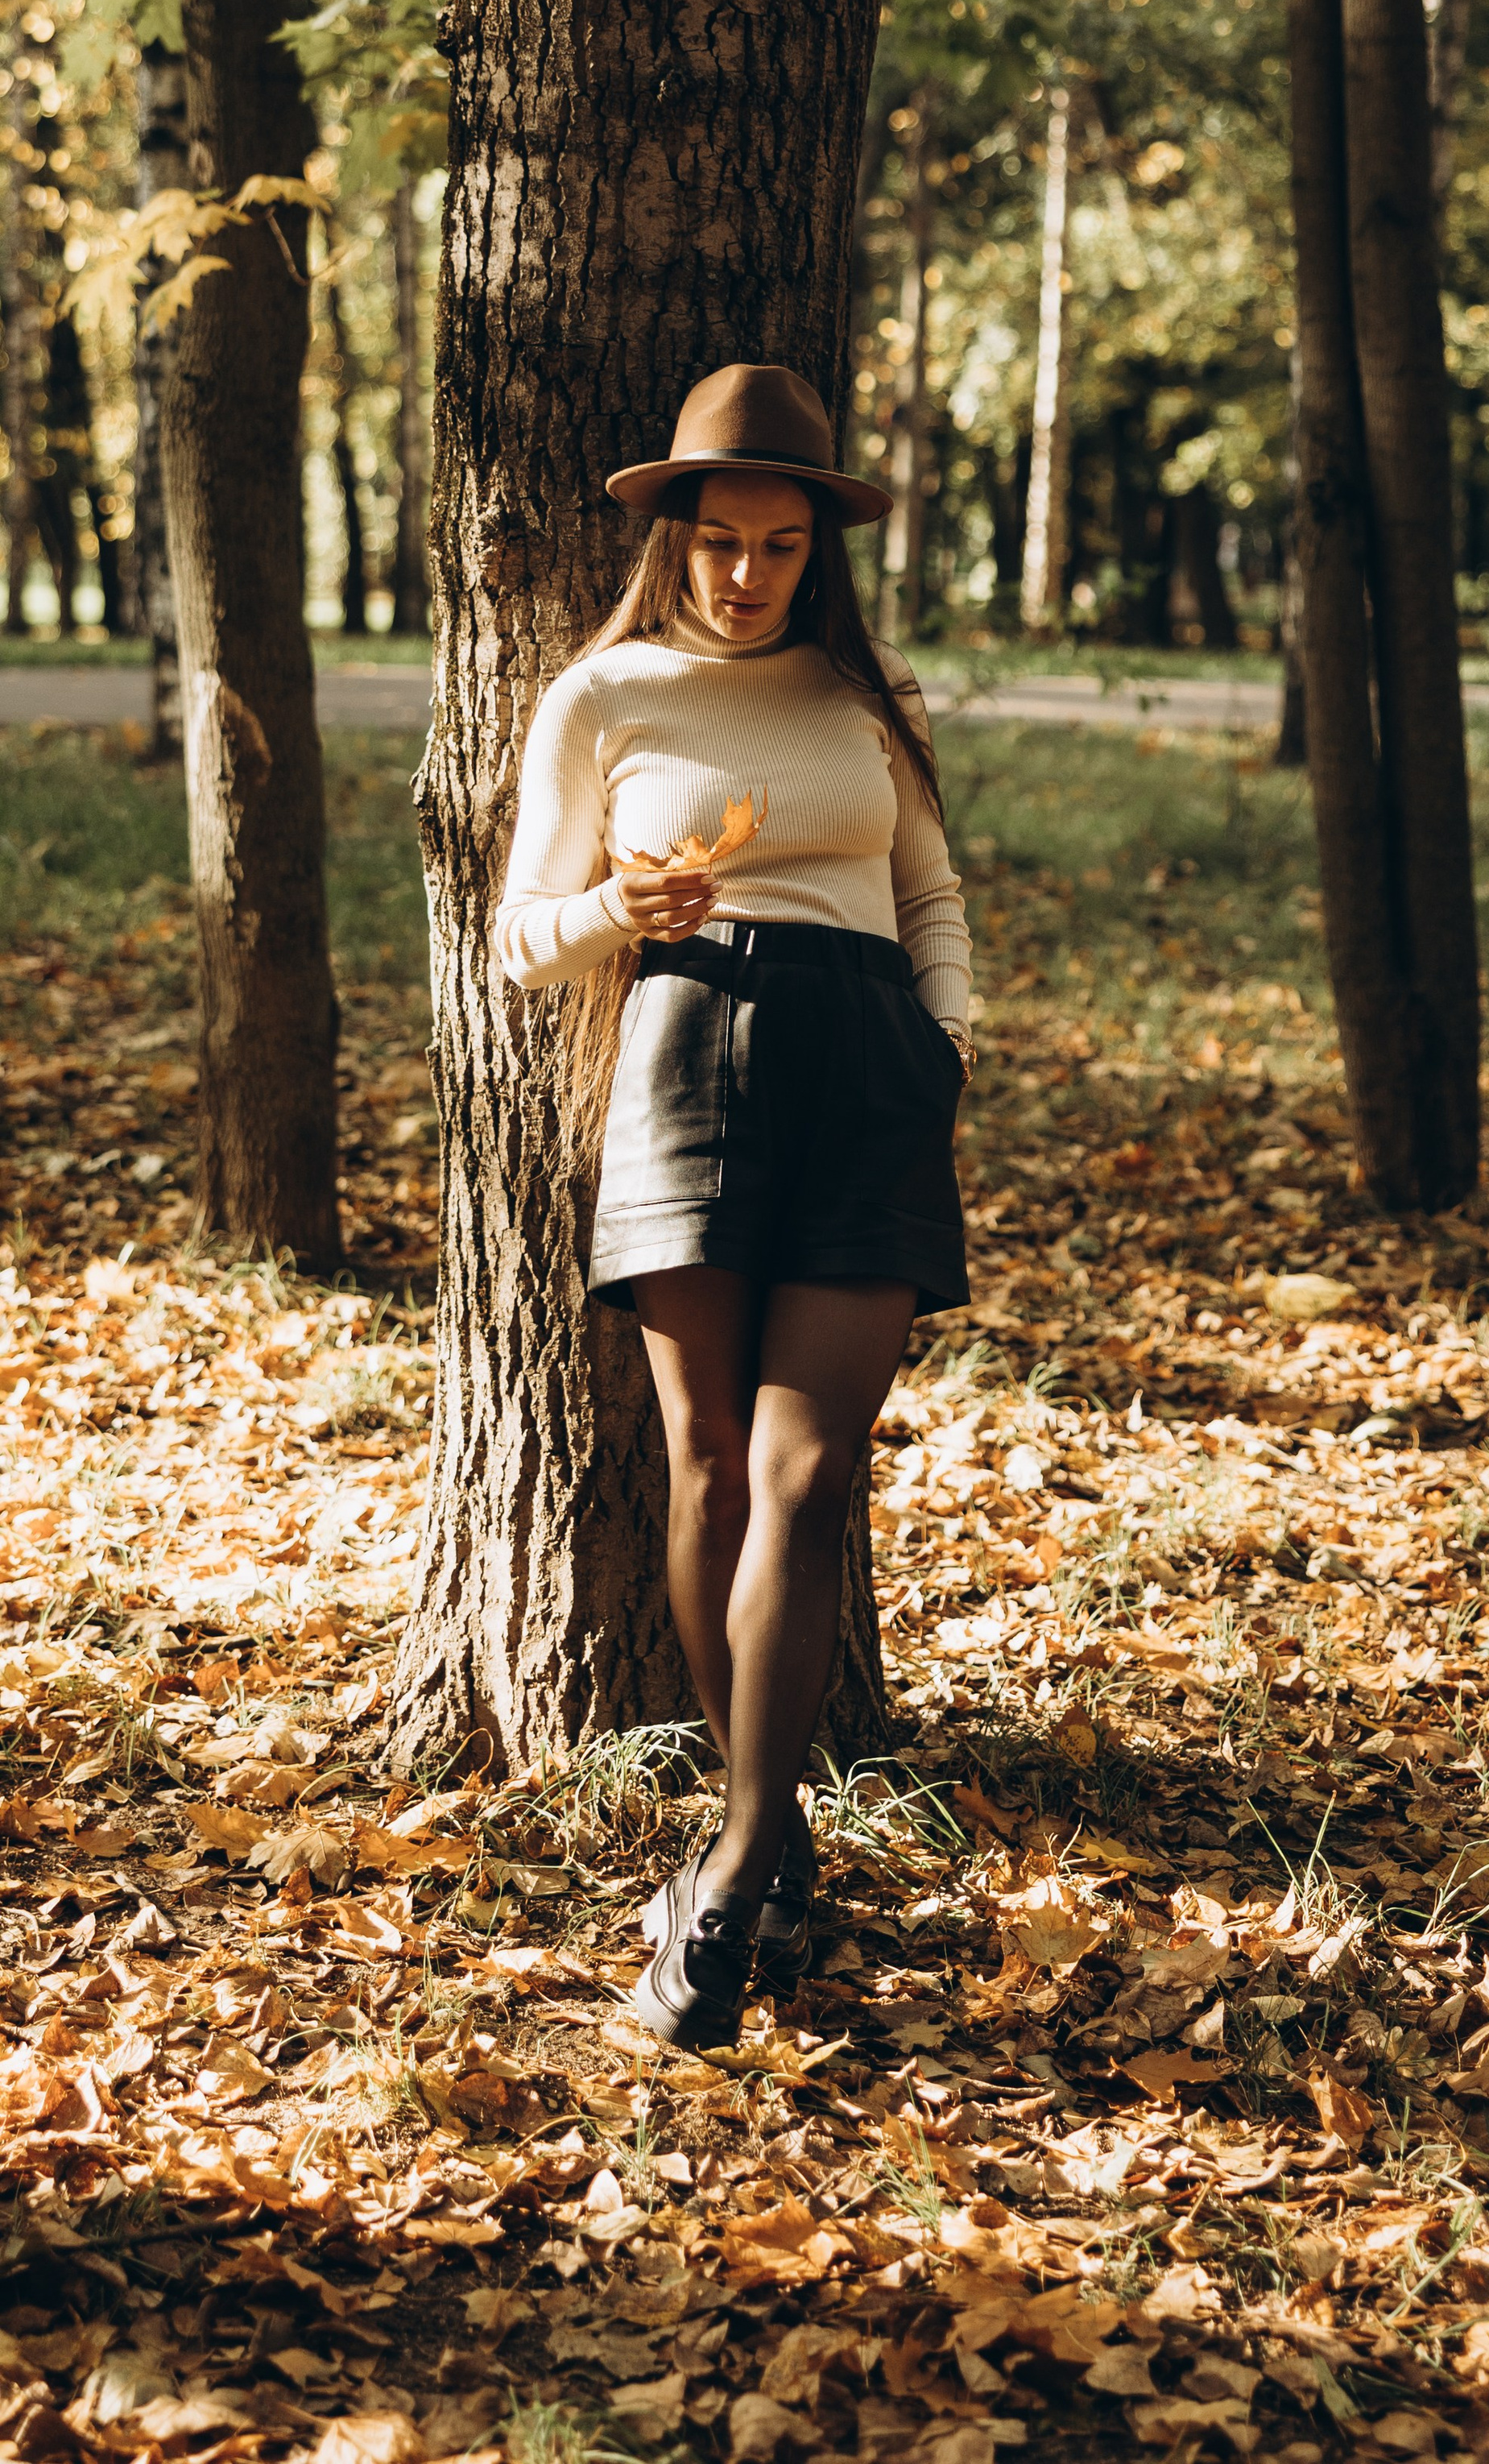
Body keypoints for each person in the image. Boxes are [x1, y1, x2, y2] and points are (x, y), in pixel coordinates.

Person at [493, 362, 974, 2052]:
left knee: (806, 1465)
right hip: (687, 1058)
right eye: (721, 542)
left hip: (867, 1070)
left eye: (780, 545)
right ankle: (762, 1842)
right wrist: (615, 911)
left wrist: (944, 1044)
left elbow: (929, 889)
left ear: (815, 551)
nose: (749, 573)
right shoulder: (602, 697)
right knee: (704, 1460)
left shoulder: (868, 695)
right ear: (674, 538)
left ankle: (739, 1855)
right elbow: (515, 934)